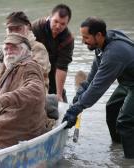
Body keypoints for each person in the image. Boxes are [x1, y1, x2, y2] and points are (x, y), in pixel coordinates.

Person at [63, 17, 134, 158]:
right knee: (112, 108)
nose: (83, 41)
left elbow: (97, 88)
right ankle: (119, 146)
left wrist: (77, 108)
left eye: (86, 37)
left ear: (99, 35)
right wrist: (82, 90)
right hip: (128, 81)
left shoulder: (114, 54)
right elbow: (93, 76)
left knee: (125, 122)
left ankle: (129, 160)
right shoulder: (103, 44)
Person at [0, 11, 58, 120]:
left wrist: (2, 98)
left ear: (28, 27)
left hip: (26, 101)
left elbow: (32, 78)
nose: (14, 33)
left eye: (18, 28)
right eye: (10, 29)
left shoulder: (37, 48)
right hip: (1, 98)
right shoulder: (6, 50)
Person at [32, 4, 74, 102]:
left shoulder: (68, 39)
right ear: (50, 17)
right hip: (34, 65)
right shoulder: (37, 27)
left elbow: (62, 68)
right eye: (55, 21)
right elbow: (21, 42)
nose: (58, 26)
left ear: (67, 24)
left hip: (54, 68)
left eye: (63, 24)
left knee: (58, 98)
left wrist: (58, 95)